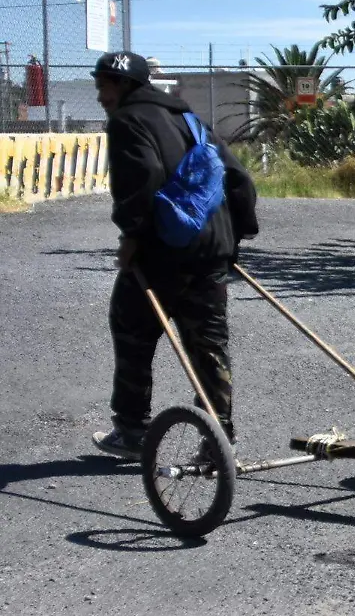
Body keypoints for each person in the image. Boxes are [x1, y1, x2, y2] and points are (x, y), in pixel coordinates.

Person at [89, 51, 259, 461]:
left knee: (131, 328)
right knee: (209, 343)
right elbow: (238, 179)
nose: (100, 96)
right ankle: (219, 438)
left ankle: (131, 430)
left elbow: (141, 178)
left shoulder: (128, 121)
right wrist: (234, 237)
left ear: (125, 85)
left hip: (162, 251)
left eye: (105, 86)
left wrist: (132, 235)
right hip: (211, 251)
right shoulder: (189, 118)